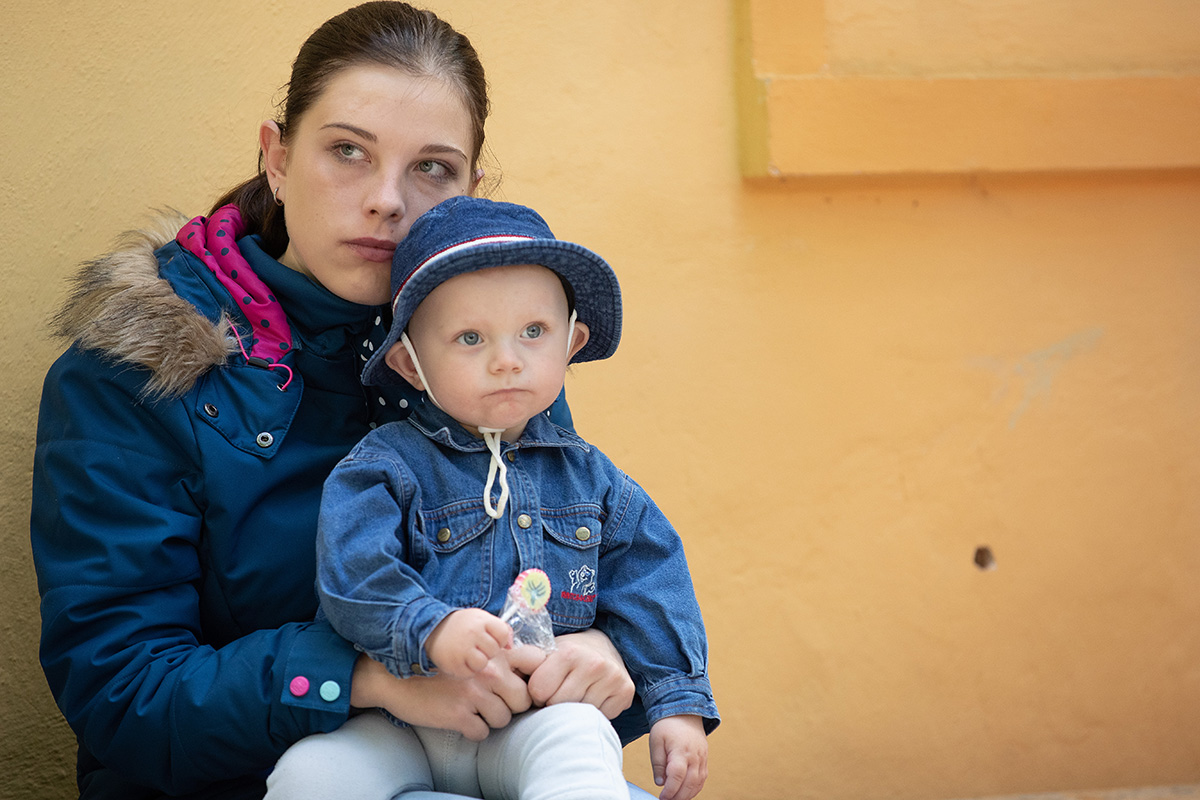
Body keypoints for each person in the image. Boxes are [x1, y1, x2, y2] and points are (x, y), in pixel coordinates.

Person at [30, 4, 651, 798]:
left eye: (432, 168)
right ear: (277, 159)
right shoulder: (133, 375)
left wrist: (600, 648)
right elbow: (123, 695)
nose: (388, 200)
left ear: (473, 190)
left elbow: (575, 570)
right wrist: (364, 678)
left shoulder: (491, 351)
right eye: (348, 152)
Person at [264, 196, 718, 800]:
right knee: (310, 774)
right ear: (410, 363)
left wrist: (677, 705)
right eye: (470, 338)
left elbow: (651, 580)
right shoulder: (383, 467)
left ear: (571, 342)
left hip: (529, 716)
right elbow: (353, 573)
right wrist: (432, 628)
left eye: (534, 332)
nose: (507, 361)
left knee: (582, 742)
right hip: (400, 719)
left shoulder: (592, 478)